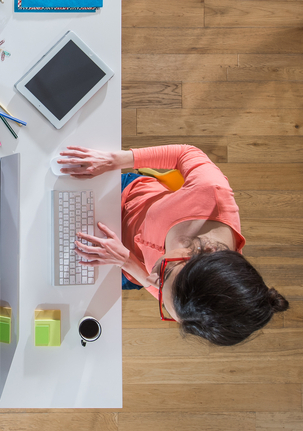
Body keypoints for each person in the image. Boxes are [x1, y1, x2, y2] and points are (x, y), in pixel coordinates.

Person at [57, 143, 289, 346]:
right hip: (125, 197)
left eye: (165, 306)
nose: (152, 278)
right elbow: (184, 153)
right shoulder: (211, 193)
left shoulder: (185, 294)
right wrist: (115, 160)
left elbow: (154, 284)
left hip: (125, 263)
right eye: (166, 272)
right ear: (207, 250)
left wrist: (126, 260)